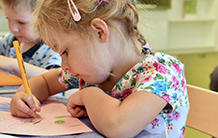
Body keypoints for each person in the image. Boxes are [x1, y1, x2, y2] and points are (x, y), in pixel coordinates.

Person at [10, 0, 189, 137]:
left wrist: (89, 95)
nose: (64, 65)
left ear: (99, 32)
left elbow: (119, 126)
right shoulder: (92, 72)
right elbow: (44, 83)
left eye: (65, 51)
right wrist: (24, 96)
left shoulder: (161, 73)